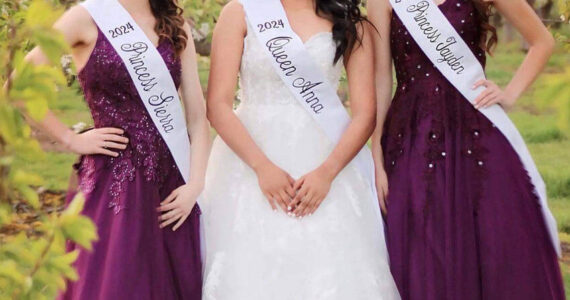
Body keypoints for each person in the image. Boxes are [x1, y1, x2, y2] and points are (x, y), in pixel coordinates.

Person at [201, 0, 400, 298]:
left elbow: (365, 114)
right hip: (249, 164)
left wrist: (326, 173)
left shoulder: (349, 21)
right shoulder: (240, 12)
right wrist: (262, 167)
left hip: (328, 165)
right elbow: (217, 105)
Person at [368, 0, 565, 298]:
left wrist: (509, 94)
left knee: (496, 240)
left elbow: (542, 41)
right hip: (410, 138)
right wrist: (376, 154)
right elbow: (381, 78)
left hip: (477, 135)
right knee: (422, 244)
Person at [25, 0, 210, 298]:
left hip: (174, 187)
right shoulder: (86, 17)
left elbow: (198, 120)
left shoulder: (174, 24)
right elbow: (20, 83)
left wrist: (196, 185)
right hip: (114, 186)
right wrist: (72, 140)